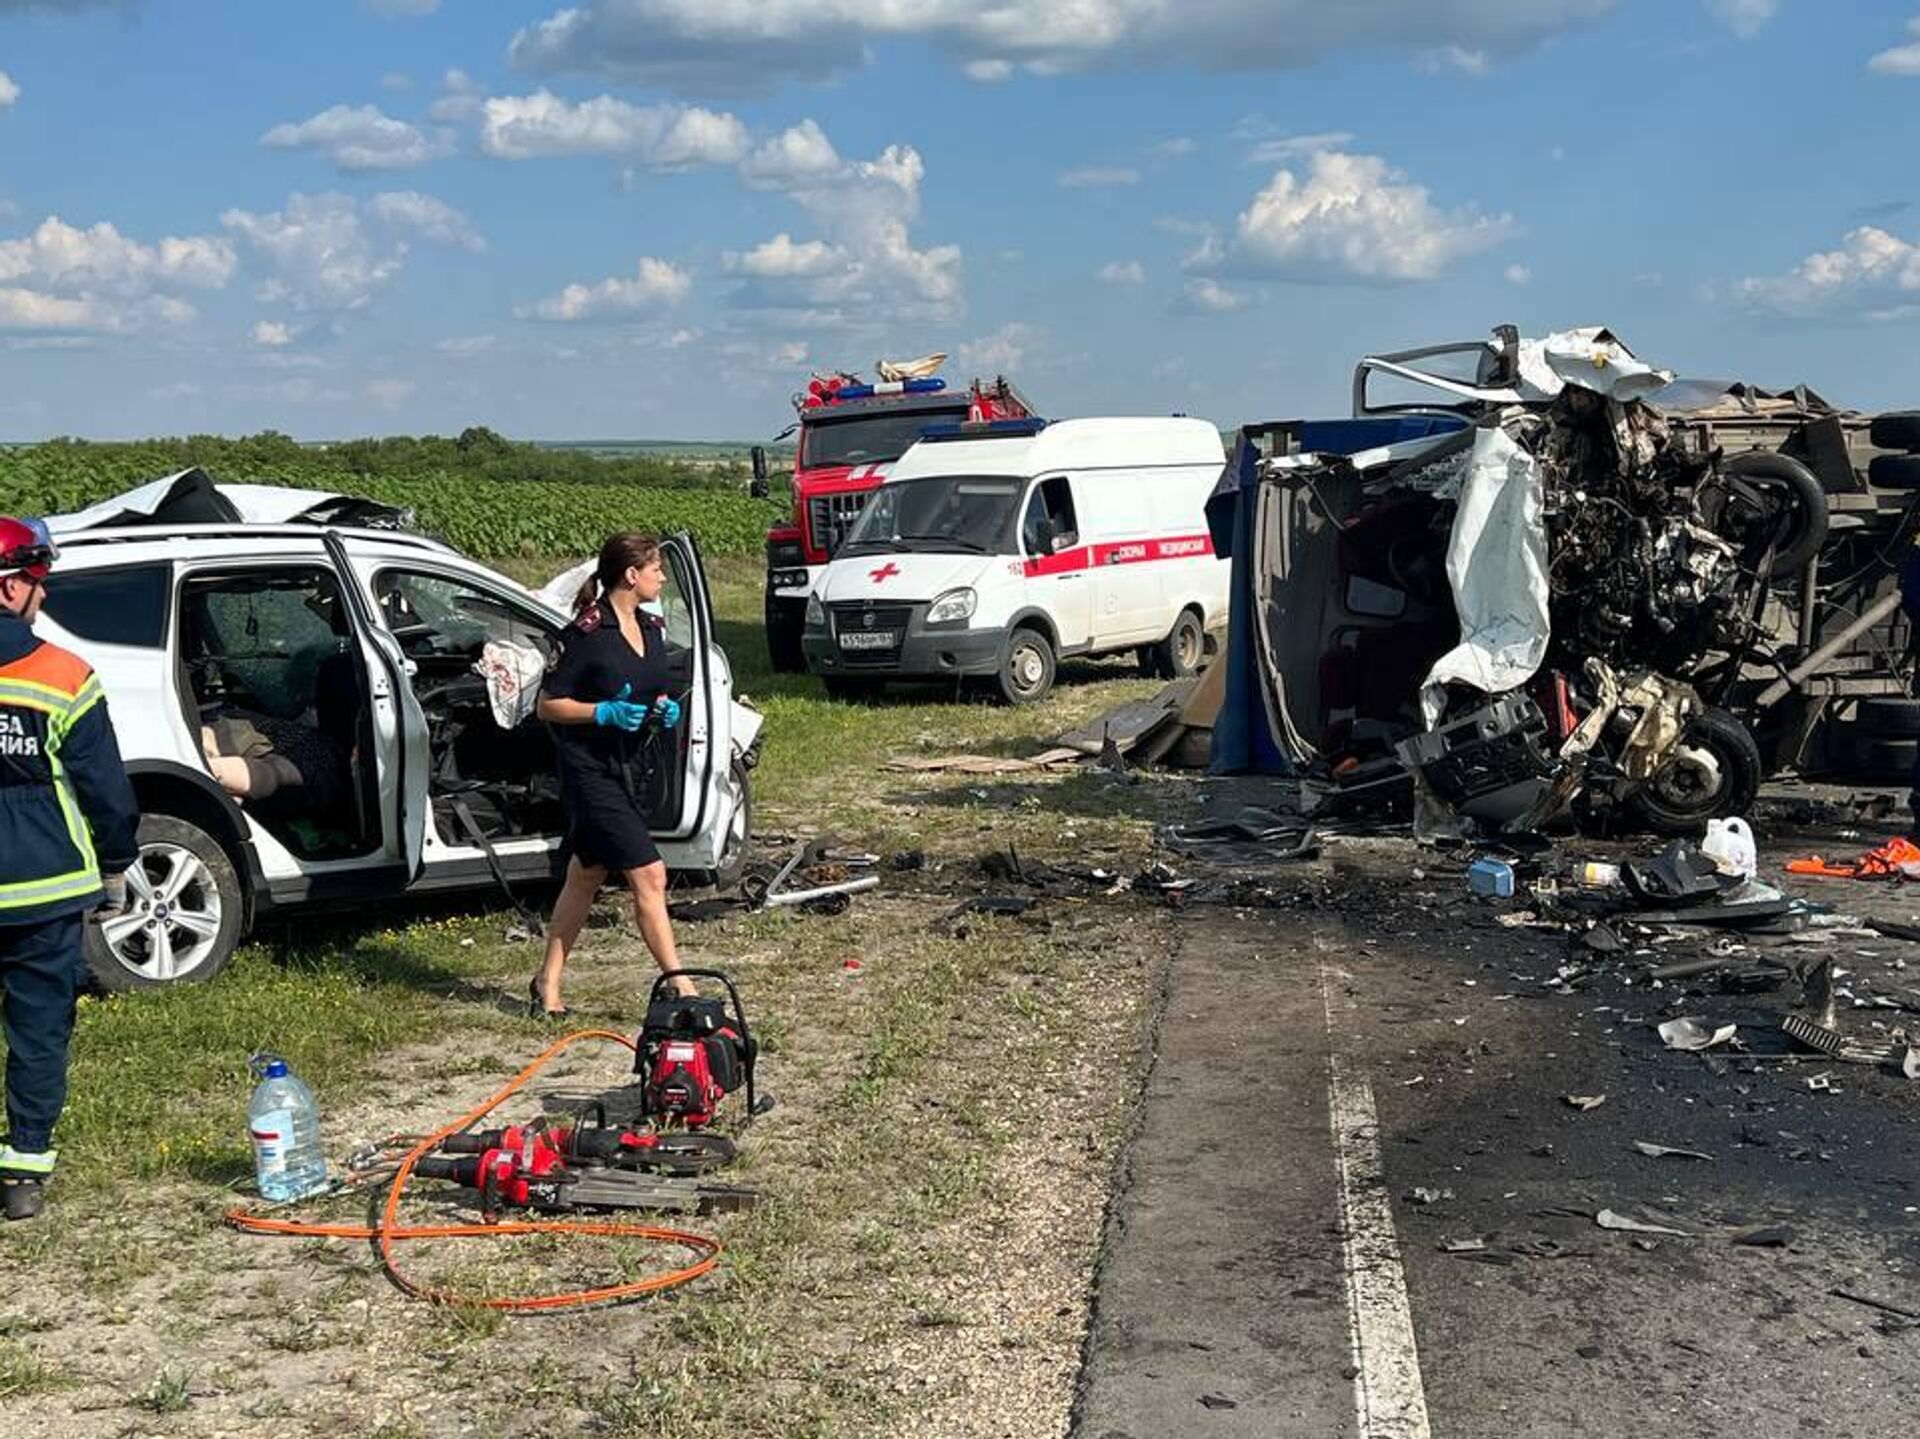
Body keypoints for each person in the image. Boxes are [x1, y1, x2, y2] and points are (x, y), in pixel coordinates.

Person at [0, 516, 139, 1220]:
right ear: (15, 585)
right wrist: (117, 861)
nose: (42, 594)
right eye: (38, 581)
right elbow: (106, 791)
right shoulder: (62, 674)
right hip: (43, 889)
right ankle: (23, 1168)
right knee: (37, 1027)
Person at [530, 533, 693, 1017]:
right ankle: (681, 985)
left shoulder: (652, 628)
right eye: (656, 568)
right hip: (590, 768)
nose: (662, 577)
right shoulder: (586, 634)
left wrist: (662, 711)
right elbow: (548, 705)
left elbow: (653, 691)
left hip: (634, 764)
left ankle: (547, 982)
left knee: (587, 874)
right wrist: (600, 713)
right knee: (649, 873)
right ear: (631, 574)